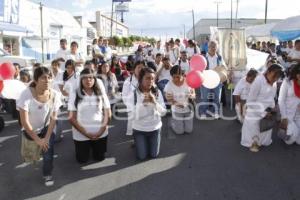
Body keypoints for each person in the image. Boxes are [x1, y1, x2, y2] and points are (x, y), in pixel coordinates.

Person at [17, 67, 62, 186]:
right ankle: (37, 151)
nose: (47, 80)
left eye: (49, 77)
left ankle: (47, 174)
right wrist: (37, 140)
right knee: (31, 157)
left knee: (48, 154)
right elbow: (24, 122)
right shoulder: (26, 94)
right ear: (36, 80)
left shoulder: (55, 95)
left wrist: (46, 139)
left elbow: (53, 119)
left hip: (47, 128)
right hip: (30, 130)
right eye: (43, 78)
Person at [68, 68, 111, 163]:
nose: (88, 80)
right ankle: (87, 146)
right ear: (81, 80)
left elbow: (108, 114)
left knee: (100, 158)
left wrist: (100, 132)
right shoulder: (75, 94)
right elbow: (71, 118)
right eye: (85, 78)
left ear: (95, 79)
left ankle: (93, 145)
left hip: (100, 133)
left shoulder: (100, 93)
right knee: (82, 160)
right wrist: (86, 134)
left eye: (91, 78)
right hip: (81, 134)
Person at [241, 64, 284, 152]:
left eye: (277, 77)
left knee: (265, 138)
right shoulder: (258, 81)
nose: (275, 79)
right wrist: (263, 113)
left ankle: (261, 141)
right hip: (255, 113)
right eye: (274, 76)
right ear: (268, 72)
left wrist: (273, 108)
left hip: (267, 114)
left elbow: (272, 97)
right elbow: (250, 102)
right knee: (252, 137)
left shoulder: (274, 82)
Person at [127, 67, 166, 160]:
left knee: (154, 155)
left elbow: (164, 112)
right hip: (139, 129)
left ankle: (147, 141)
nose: (150, 81)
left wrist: (155, 103)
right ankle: (138, 141)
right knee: (142, 156)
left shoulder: (157, 92)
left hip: (155, 128)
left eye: (152, 78)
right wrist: (142, 104)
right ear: (141, 79)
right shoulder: (133, 94)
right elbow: (132, 116)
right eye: (147, 78)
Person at [164, 65, 195, 134]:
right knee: (179, 132)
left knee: (189, 130)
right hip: (176, 110)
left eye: (178, 77)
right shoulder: (169, 85)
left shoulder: (188, 81)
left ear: (183, 75)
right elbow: (169, 99)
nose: (175, 79)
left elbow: (193, 92)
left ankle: (180, 122)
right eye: (173, 77)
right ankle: (173, 123)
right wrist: (178, 104)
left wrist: (192, 96)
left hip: (188, 108)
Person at [199, 41, 224, 119]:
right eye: (211, 46)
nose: (213, 48)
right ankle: (203, 112)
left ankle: (215, 112)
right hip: (206, 80)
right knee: (205, 97)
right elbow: (199, 69)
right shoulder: (203, 57)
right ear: (208, 48)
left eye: (214, 47)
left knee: (217, 97)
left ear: (217, 48)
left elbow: (223, 68)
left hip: (217, 80)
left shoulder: (219, 57)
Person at [278, 64, 300, 145]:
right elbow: (281, 100)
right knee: (290, 140)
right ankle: (285, 132)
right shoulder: (287, 82)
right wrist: (284, 117)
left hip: (298, 115)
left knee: (299, 141)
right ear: (297, 74)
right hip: (287, 115)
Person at [122, 61, 145, 136]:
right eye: (138, 67)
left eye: (142, 67)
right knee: (133, 124)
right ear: (134, 69)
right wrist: (129, 106)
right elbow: (124, 96)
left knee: (142, 125)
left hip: (144, 106)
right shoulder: (128, 81)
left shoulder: (147, 79)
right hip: (132, 107)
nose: (140, 69)